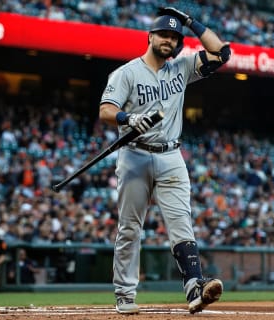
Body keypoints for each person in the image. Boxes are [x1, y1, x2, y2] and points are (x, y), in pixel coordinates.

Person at [99, 6, 230, 315]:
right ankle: (125, 294)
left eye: (174, 36)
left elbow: (222, 53)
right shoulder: (127, 73)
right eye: (163, 34)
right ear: (150, 36)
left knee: (181, 223)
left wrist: (189, 21)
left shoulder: (181, 67)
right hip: (135, 156)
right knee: (130, 227)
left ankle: (194, 288)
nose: (169, 40)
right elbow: (106, 110)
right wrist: (128, 118)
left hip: (171, 155)